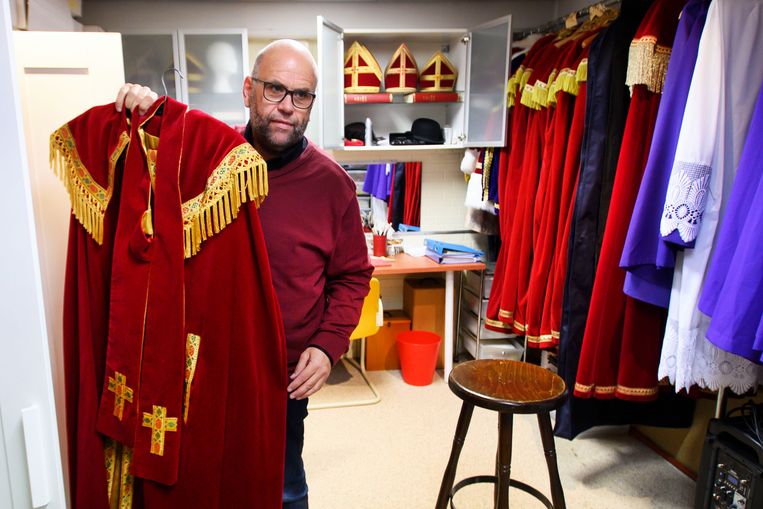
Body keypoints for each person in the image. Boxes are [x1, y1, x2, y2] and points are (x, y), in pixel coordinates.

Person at [117, 39, 373, 509]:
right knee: (206, 484)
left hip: (283, 378)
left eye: (302, 95)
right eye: (275, 89)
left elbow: (353, 276)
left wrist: (328, 344)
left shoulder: (332, 185)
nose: (287, 107)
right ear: (248, 90)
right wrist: (146, 109)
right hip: (205, 370)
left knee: (282, 488)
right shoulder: (205, 158)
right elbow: (156, 154)